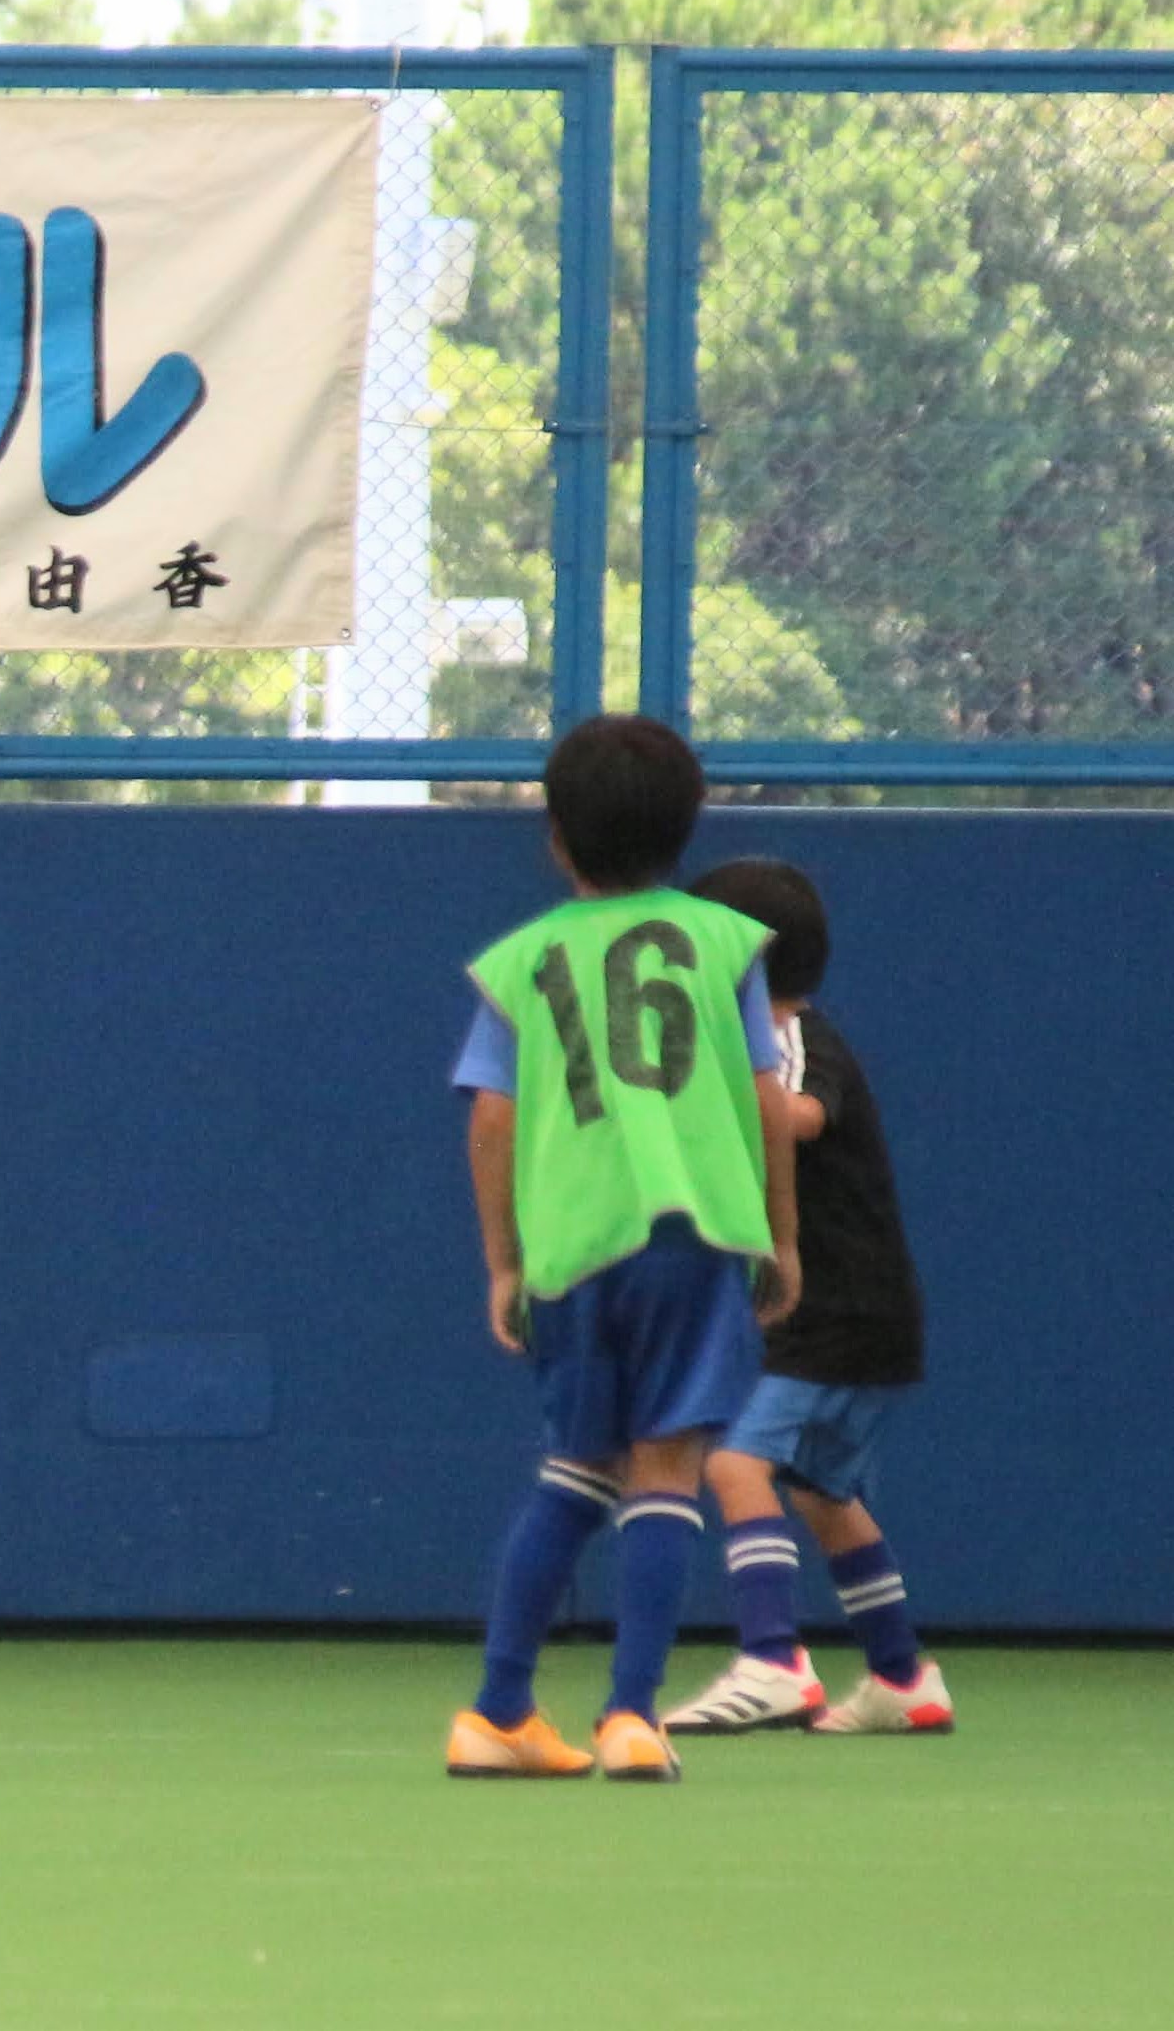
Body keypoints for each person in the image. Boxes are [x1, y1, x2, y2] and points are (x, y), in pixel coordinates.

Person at [443, 715, 801, 1783]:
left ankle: (497, 1709)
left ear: (555, 837)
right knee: (665, 1471)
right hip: (693, 1234)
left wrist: (503, 1261)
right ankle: (631, 1714)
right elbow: (765, 1101)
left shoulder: (522, 961)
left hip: (575, 1242)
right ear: (687, 829)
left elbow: (491, 1117)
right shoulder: (723, 944)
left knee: (572, 1467)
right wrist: (780, 1237)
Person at [662, 857, 952, 1736]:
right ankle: (902, 1679)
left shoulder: (787, 1037)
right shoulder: (757, 1042)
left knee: (733, 1461)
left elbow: (798, 1116)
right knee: (823, 1491)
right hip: (863, 1312)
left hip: (837, 1309)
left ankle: (772, 1661)